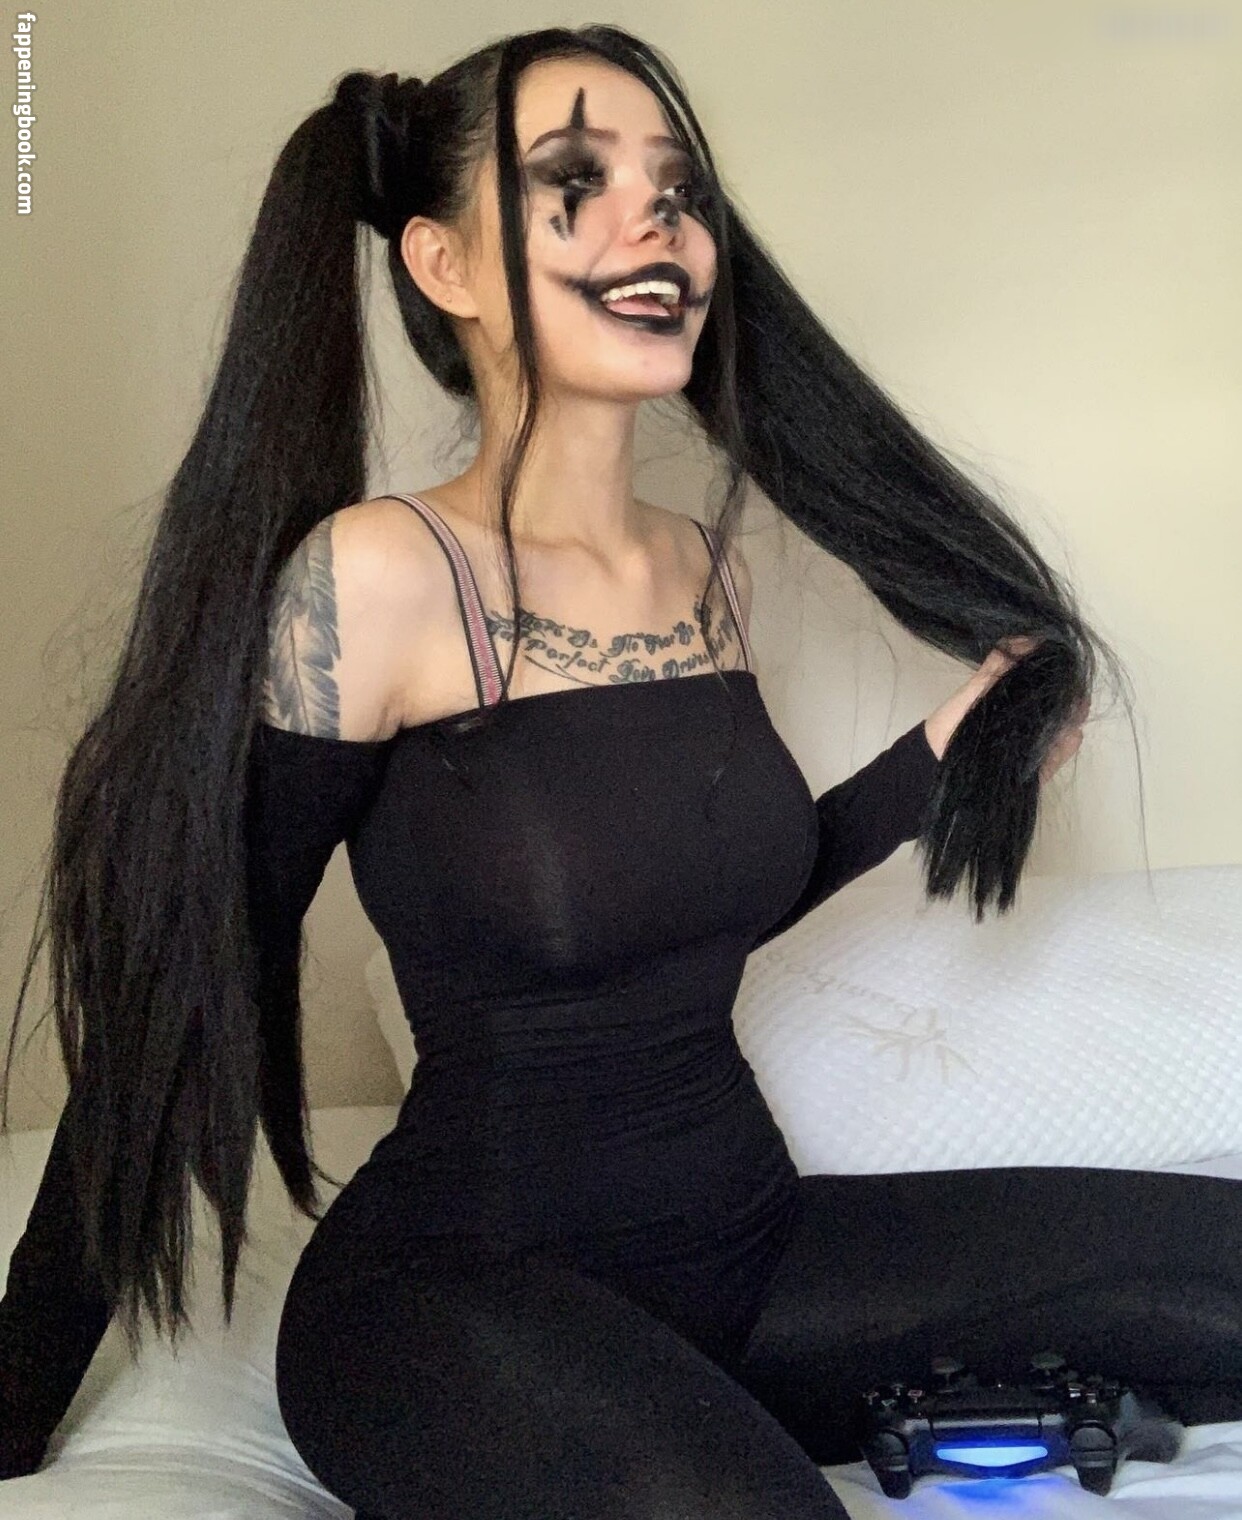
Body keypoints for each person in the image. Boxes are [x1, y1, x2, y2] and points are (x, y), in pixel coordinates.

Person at [3, 24, 1240, 1519]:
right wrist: (15, 1388)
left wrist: (941, 759)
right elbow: (196, 993)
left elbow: (701, 895)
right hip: (453, 1298)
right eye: (574, 181)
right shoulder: (380, 576)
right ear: (444, 265)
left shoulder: (696, 568)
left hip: (744, 1249)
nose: (656, 220)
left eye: (678, 187)